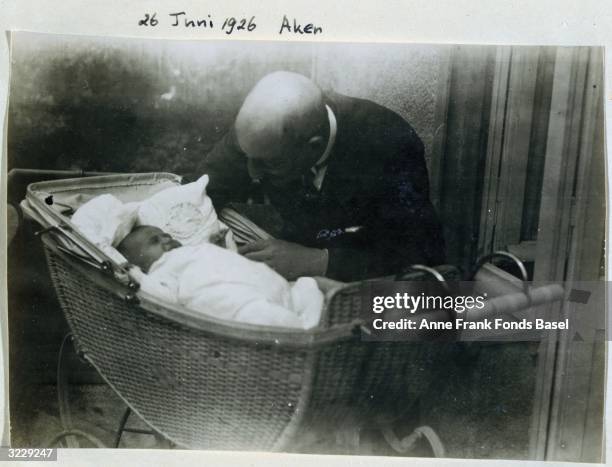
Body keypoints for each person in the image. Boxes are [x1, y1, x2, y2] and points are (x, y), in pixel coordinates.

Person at [198, 71, 445, 282]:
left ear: (313, 146)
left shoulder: (390, 144)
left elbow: (420, 251)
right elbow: (199, 190)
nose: (251, 172)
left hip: (354, 286)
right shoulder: (261, 133)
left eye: (268, 164)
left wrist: (319, 262)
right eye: (245, 155)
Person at [116, 225, 323, 329]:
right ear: (140, 261)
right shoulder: (160, 272)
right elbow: (165, 298)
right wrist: (138, 277)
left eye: (165, 234)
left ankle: (311, 321)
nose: (166, 238)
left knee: (307, 285)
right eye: (154, 241)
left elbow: (227, 262)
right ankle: (303, 330)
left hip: (272, 285)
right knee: (264, 315)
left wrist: (223, 248)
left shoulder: (194, 250)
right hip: (243, 304)